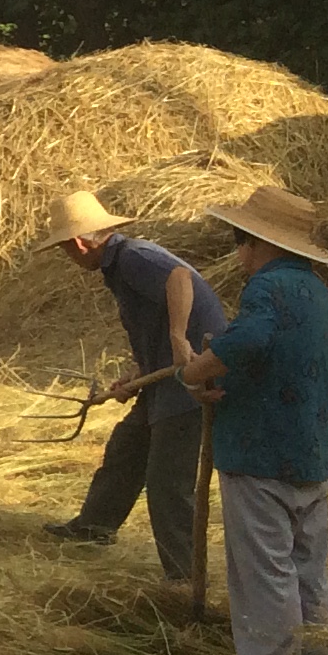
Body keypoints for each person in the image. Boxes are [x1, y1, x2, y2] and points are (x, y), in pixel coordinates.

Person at [178, 186, 328, 655]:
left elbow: (248, 341)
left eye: (241, 241)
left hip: (258, 453)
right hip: (311, 452)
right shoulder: (323, 298)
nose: (239, 252)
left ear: (257, 243)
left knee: (265, 576)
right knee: (308, 574)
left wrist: (193, 372)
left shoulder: (267, 289)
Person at [41, 188, 225, 584]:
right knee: (127, 448)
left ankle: (185, 580)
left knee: (167, 484)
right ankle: (94, 527)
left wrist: (178, 339)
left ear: (78, 244)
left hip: (190, 380)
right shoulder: (120, 265)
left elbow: (180, 280)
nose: (67, 257)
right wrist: (138, 373)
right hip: (165, 377)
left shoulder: (133, 257)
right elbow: (155, 321)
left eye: (64, 249)